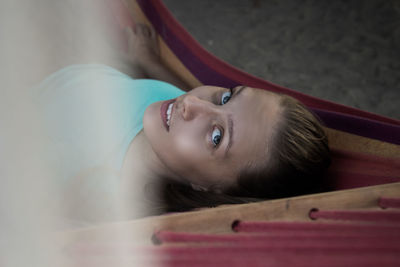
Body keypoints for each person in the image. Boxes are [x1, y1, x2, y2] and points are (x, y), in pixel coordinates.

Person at [35, 24, 330, 222]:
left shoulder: (100, 194)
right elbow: (181, 90)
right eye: (227, 98)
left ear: (211, 189)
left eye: (217, 137)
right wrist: (150, 62)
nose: (192, 104)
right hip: (81, 78)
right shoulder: (174, 113)